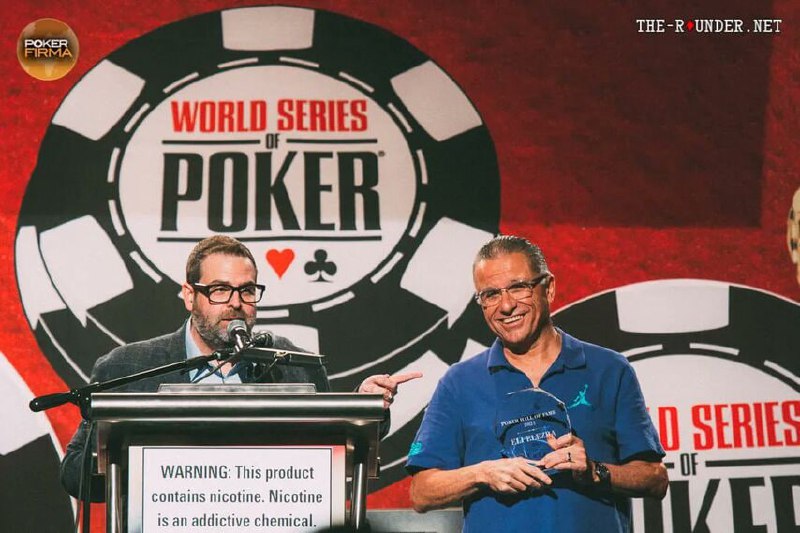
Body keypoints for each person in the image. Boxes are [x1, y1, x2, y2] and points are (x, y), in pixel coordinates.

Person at [61, 235, 420, 500]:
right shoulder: (127, 367)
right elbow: (75, 473)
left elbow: (333, 458)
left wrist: (364, 409)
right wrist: (143, 463)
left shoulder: (293, 366)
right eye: (219, 290)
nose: (235, 303)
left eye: (247, 291)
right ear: (190, 295)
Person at [406, 235, 667, 532]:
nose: (506, 306)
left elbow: (655, 479)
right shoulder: (459, 383)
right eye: (490, 294)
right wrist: (482, 473)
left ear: (549, 288)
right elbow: (422, 492)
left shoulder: (609, 369)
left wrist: (594, 471)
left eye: (519, 287)